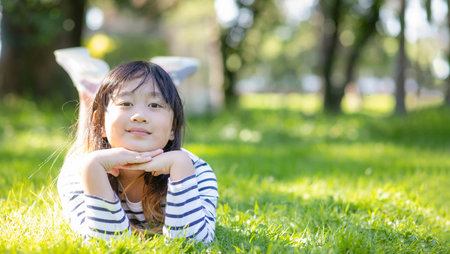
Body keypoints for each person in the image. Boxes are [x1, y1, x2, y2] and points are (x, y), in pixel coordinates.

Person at [57, 60, 218, 242]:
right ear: (101, 123)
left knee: (153, 87)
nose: (139, 116)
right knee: (84, 143)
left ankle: (168, 78)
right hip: (91, 152)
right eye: (125, 103)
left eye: (155, 105)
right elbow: (104, 244)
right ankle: (88, 85)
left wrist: (180, 164)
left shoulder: (196, 172)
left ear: (173, 129)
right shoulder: (77, 175)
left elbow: (194, 244)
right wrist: (94, 167)